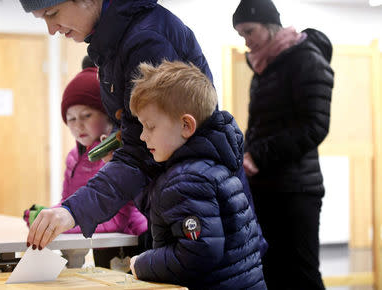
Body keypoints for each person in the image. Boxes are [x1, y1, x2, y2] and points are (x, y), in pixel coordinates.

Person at [18, 0, 217, 251]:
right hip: (170, 202)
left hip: (187, 207)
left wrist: (73, 210)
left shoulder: (145, 40)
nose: (50, 29)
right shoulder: (114, 42)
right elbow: (134, 141)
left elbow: (139, 153)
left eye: (52, 13)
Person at [127, 60, 266, 289]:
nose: (143, 136)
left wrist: (143, 263)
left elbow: (199, 251)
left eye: (150, 126)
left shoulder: (187, 180)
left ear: (186, 126)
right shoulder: (214, 167)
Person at [232, 0, 334, 289]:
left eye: (250, 31)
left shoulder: (307, 60)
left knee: (301, 275)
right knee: (271, 272)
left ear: (269, 25)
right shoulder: (264, 68)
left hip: (296, 190)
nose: (247, 41)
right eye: (241, 35)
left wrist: (259, 156)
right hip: (265, 187)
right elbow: (262, 126)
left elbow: (314, 126)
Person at [23, 66, 148, 268]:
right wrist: (47, 216)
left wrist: (58, 224)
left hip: (132, 243)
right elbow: (67, 203)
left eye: (86, 115)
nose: (78, 125)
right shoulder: (74, 157)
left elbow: (116, 220)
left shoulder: (114, 154)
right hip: (100, 244)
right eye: (71, 119)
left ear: (106, 114)